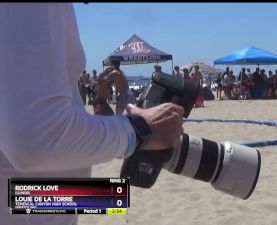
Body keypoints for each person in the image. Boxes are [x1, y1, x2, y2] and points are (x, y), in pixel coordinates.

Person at [0, 4, 185, 225]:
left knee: (115, 198)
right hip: (26, 201)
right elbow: (35, 141)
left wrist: (110, 107)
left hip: (27, 199)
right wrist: (138, 131)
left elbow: (21, 191)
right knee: (116, 199)